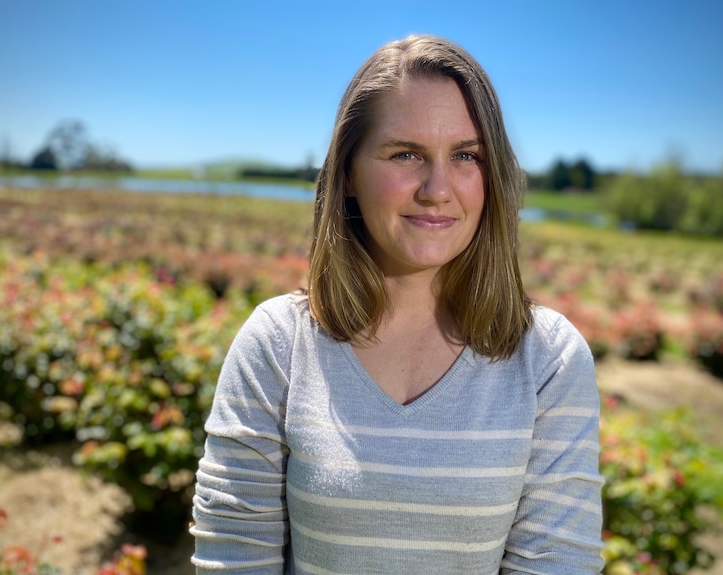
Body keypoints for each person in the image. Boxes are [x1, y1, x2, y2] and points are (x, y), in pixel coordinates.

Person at [191, 34, 604, 574]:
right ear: (347, 176)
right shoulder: (278, 343)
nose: (437, 188)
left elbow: (556, 563)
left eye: (465, 156)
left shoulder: (548, 358)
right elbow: (234, 554)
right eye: (405, 154)